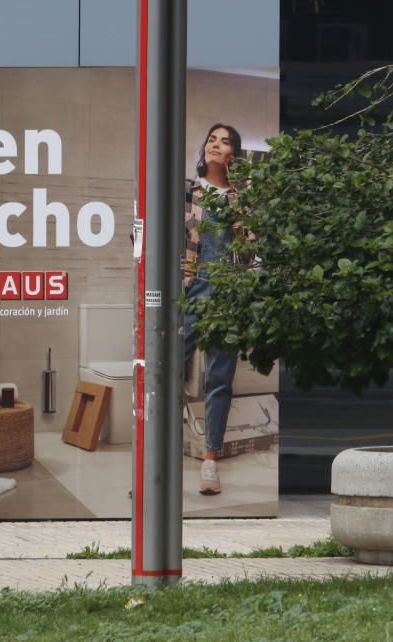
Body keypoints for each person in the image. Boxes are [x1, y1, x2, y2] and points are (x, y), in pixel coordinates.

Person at [183, 123, 243, 496]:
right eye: (211, 139)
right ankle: (156, 461)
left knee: (219, 380)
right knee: (166, 372)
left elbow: (252, 250)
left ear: (234, 154)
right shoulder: (187, 192)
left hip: (228, 296)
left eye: (224, 142)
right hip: (190, 291)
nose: (215, 146)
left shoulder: (241, 198)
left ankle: (210, 462)